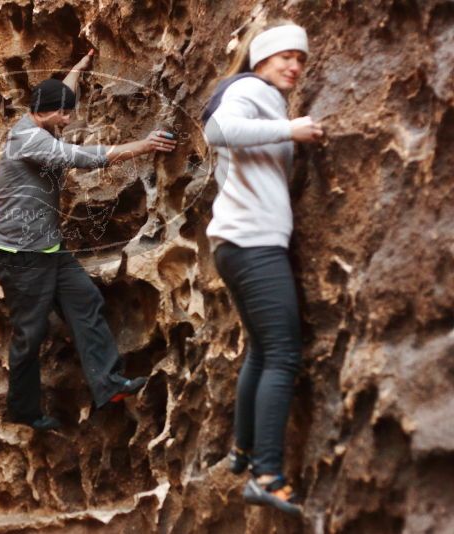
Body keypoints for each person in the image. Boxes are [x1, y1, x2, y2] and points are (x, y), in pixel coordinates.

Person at [0, 50, 177, 431]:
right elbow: (84, 157)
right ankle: (23, 411)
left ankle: (109, 383)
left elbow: (59, 100)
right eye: (65, 114)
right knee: (30, 333)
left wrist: (74, 72)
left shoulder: (40, 122)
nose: (69, 120)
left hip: (48, 249)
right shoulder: (30, 142)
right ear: (46, 112)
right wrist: (142, 146)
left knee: (86, 300)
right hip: (19, 256)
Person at [202, 21, 323, 516]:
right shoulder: (250, 88)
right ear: (260, 59)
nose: (293, 65)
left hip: (239, 241)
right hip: (252, 242)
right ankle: (266, 476)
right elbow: (218, 130)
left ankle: (244, 450)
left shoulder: (263, 95)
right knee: (283, 354)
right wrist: (289, 129)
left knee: (261, 348)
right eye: (284, 57)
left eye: (301, 58)